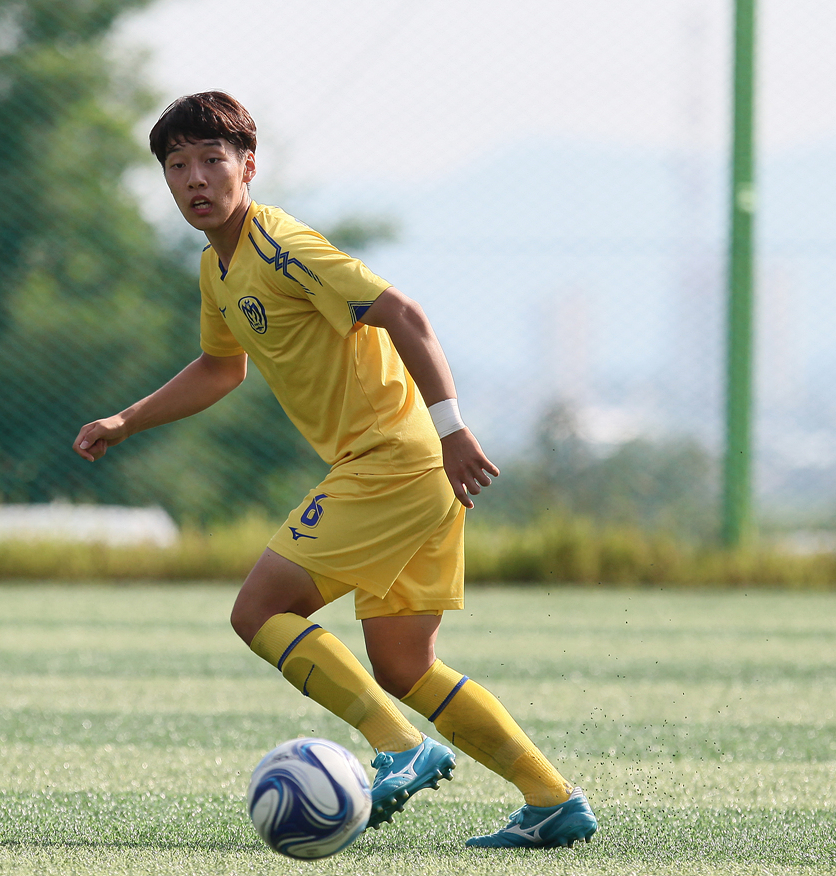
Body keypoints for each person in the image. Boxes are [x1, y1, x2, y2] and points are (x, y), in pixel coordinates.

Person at [73, 91, 597, 848]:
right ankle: (551, 799)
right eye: (177, 165)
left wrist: (452, 428)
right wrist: (127, 420)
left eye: (212, 160)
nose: (195, 179)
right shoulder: (216, 269)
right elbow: (221, 368)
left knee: (258, 612)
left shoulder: (279, 243)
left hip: (394, 459)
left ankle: (400, 746)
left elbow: (404, 313)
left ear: (248, 166)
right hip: (412, 469)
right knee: (404, 666)